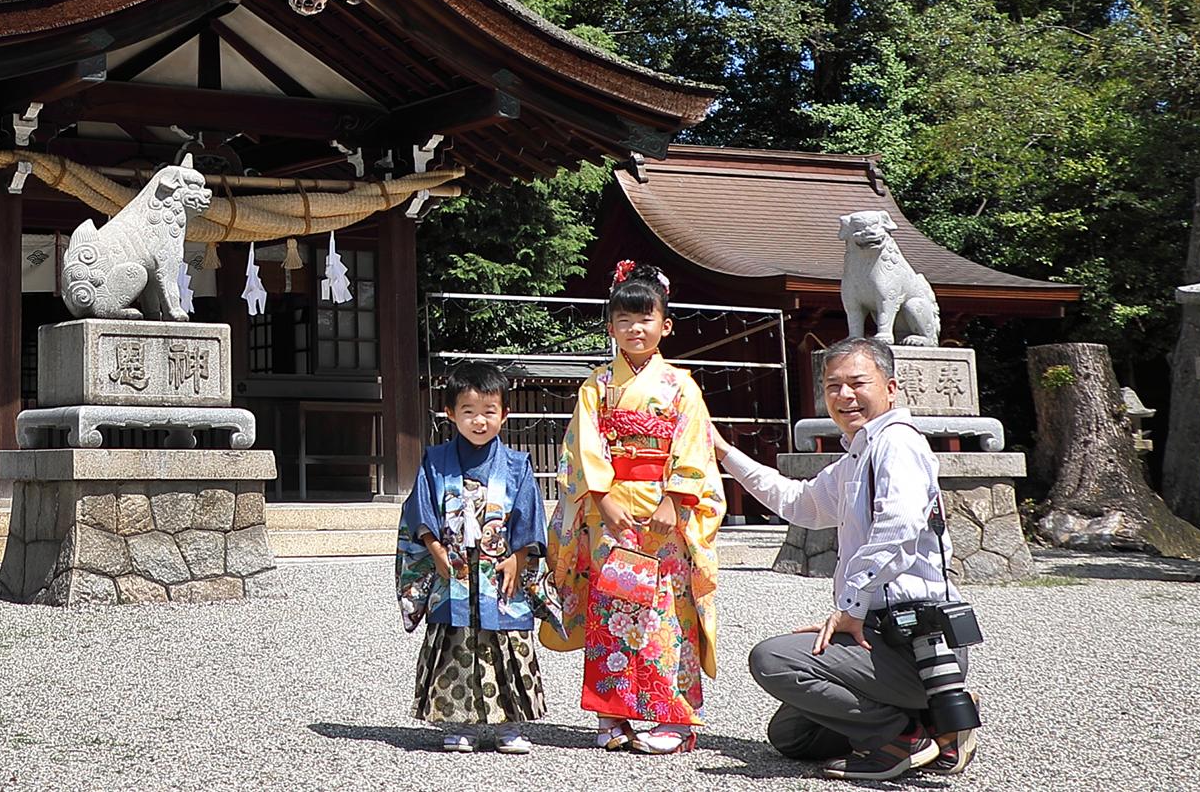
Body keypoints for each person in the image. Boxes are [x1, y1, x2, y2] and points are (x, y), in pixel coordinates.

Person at [713, 336, 978, 781]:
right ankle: (930, 722)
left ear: (891, 388)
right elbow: (799, 502)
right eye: (833, 385)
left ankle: (900, 739)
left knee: (773, 661)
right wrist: (724, 452)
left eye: (857, 382)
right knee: (793, 737)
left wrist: (850, 606)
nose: (843, 395)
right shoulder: (858, 454)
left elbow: (900, 524)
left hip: (912, 640)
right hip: (880, 634)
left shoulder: (896, 443)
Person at [540, 261, 727, 755]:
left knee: (669, 614)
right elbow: (581, 449)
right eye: (624, 320)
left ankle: (675, 719)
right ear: (610, 327)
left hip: (667, 515)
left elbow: (695, 445)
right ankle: (612, 713)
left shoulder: (682, 386)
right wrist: (601, 497)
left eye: (645, 320)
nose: (635, 329)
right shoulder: (597, 386)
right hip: (611, 513)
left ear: (665, 325)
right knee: (614, 609)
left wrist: (675, 498)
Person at [394, 363, 548, 755]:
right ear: (450, 413)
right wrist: (434, 549)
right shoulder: (435, 460)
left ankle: (509, 725)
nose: (479, 421)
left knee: (507, 642)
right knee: (455, 643)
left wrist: (518, 557)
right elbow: (420, 510)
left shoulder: (517, 465)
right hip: (453, 569)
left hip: (501, 573)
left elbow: (530, 516)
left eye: (489, 411)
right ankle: (456, 720)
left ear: (505, 414)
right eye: (468, 411)